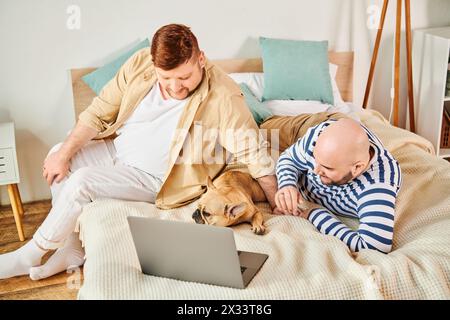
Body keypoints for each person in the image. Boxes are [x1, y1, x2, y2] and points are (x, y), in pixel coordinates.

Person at [0, 24, 278, 280]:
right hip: (116, 150)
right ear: (154, 64)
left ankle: (30, 254)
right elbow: (98, 112)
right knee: (60, 152)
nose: (175, 87)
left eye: (184, 77)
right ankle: (72, 248)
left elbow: (254, 152)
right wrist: (62, 155)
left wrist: (277, 201)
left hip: (158, 179)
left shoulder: (223, 95)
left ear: (201, 59)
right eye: (165, 78)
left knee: (82, 181)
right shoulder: (140, 63)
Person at [274, 118, 402, 253]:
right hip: (311, 121)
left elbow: (374, 246)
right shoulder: (319, 137)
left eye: (327, 168)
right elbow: (288, 158)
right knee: (265, 130)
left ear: (357, 168)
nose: (315, 170)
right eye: (316, 159)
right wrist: (287, 184)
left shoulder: (377, 186)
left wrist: (314, 215)